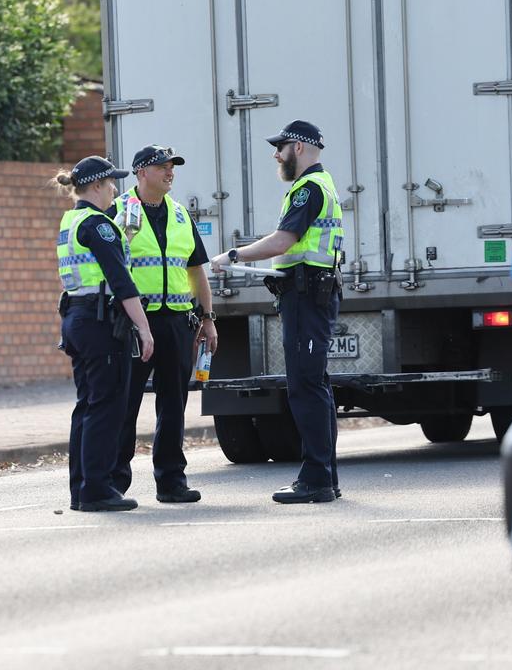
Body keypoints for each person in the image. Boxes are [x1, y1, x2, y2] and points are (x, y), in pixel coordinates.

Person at [210, 120, 344, 504]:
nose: (276, 154)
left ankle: (316, 479)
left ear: (299, 148)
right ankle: (324, 477)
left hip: (306, 297)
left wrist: (234, 254)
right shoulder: (323, 185)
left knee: (305, 388)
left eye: (280, 147)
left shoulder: (307, 190)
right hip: (309, 294)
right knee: (313, 386)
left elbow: (284, 240)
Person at [110, 145, 217, 504]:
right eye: (162, 167)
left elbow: (196, 271)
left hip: (175, 320)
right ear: (141, 172)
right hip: (134, 321)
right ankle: (114, 482)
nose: (170, 173)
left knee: (173, 404)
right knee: (125, 403)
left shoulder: (181, 215)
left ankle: (171, 482)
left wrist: (207, 318)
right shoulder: (118, 211)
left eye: (172, 167)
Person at [56, 156, 155, 512]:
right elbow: (122, 282)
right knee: (107, 407)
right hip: (100, 323)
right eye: (111, 183)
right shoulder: (98, 225)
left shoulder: (72, 221)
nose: (115, 188)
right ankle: (97, 489)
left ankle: (82, 490)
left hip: (79, 318)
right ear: (96, 185)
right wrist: (144, 329)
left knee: (87, 406)